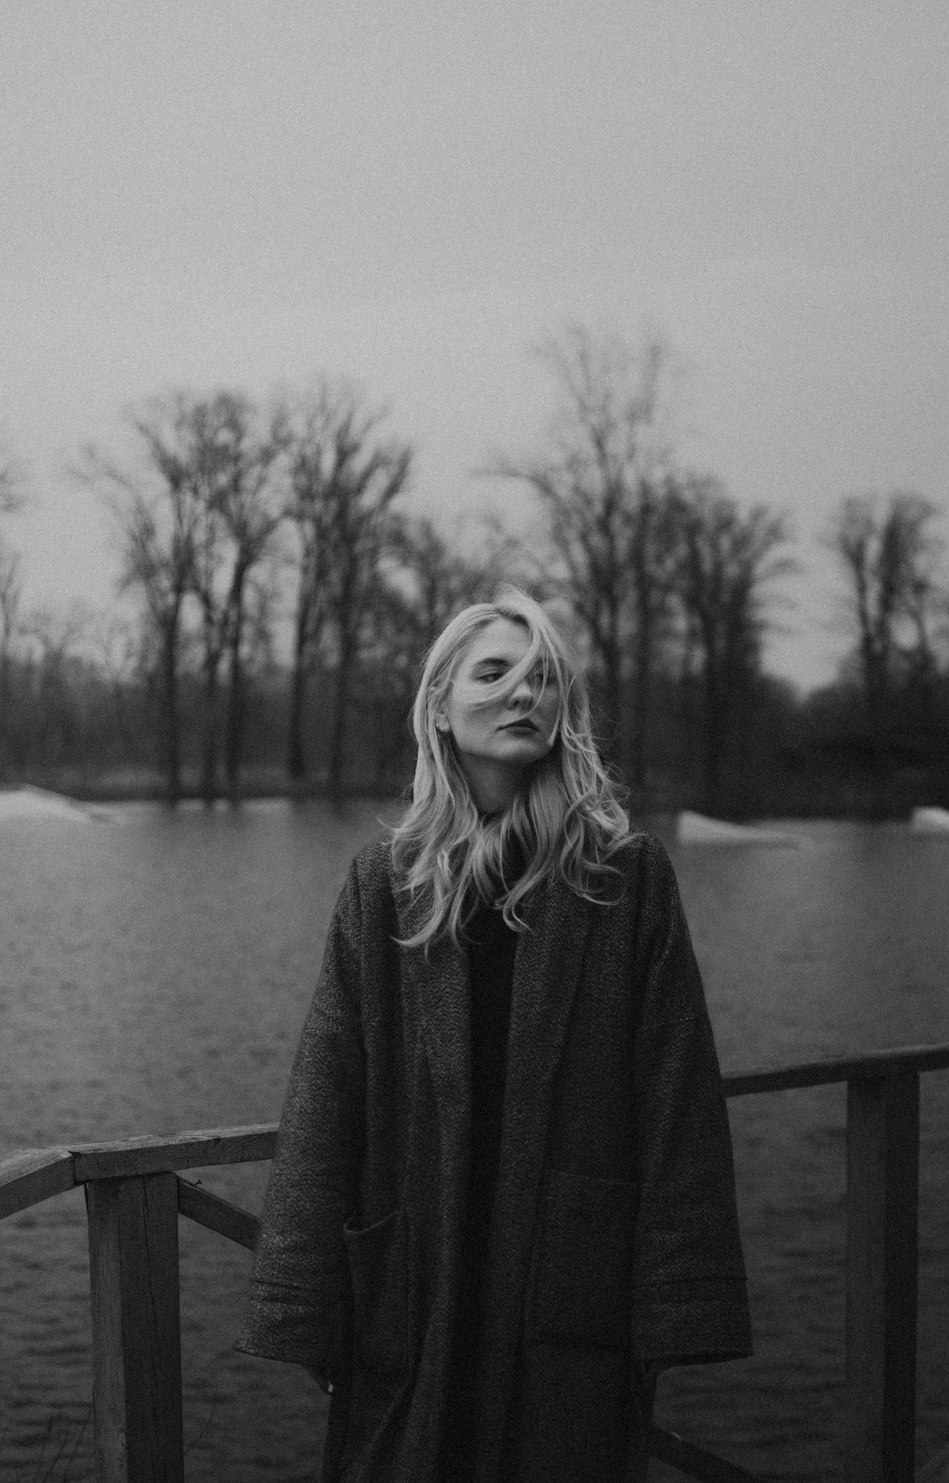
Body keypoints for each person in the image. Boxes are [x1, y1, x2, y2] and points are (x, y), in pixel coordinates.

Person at [235, 588, 752, 1483]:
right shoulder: (385, 881)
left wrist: (675, 1304)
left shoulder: (623, 877)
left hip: (569, 1280)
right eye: (496, 672)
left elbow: (681, 1100)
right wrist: (305, 1299)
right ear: (441, 704)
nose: (526, 693)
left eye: (544, 678)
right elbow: (328, 1094)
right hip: (414, 1283)